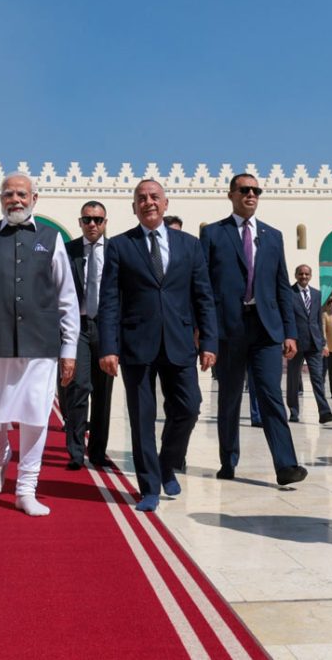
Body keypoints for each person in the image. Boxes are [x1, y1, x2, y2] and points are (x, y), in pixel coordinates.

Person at [0, 173, 79, 517]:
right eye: (8, 194)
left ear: (34, 198)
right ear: (0, 200)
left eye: (22, 194)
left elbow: (66, 298)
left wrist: (69, 350)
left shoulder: (51, 239)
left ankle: (26, 489)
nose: (15, 200)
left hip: (39, 344)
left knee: (36, 413)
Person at [99, 179, 217, 511]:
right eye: (141, 198)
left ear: (165, 204)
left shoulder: (190, 246)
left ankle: (167, 463)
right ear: (134, 207)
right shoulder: (121, 246)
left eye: (154, 197)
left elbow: (203, 297)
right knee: (142, 418)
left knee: (189, 406)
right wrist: (109, 346)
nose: (148, 202)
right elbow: (109, 301)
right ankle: (149, 486)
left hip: (180, 343)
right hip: (137, 345)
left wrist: (208, 340)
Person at [200, 174, 308, 485]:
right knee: (230, 397)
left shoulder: (272, 236)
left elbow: (281, 287)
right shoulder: (214, 234)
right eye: (245, 190)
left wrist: (289, 331)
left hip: (266, 330)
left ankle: (286, 465)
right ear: (231, 194)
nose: (251, 194)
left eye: (256, 190)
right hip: (229, 329)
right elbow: (204, 288)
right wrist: (206, 333)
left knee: (271, 395)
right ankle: (228, 460)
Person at [61, 201, 114, 469]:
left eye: (98, 220)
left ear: (105, 223)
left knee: (103, 393)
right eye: (87, 219)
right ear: (80, 222)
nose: (92, 224)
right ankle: (75, 451)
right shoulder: (67, 251)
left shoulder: (116, 251)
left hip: (106, 328)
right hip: (77, 327)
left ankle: (97, 451)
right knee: (78, 388)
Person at [287, 265, 332, 424]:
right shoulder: (289, 293)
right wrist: (288, 339)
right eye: (300, 273)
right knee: (294, 380)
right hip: (296, 343)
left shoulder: (316, 294)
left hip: (314, 343)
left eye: (306, 274)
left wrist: (322, 343)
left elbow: (316, 320)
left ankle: (324, 412)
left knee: (318, 379)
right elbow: (287, 318)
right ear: (296, 275)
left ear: (311, 275)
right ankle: (294, 412)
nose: (303, 276)